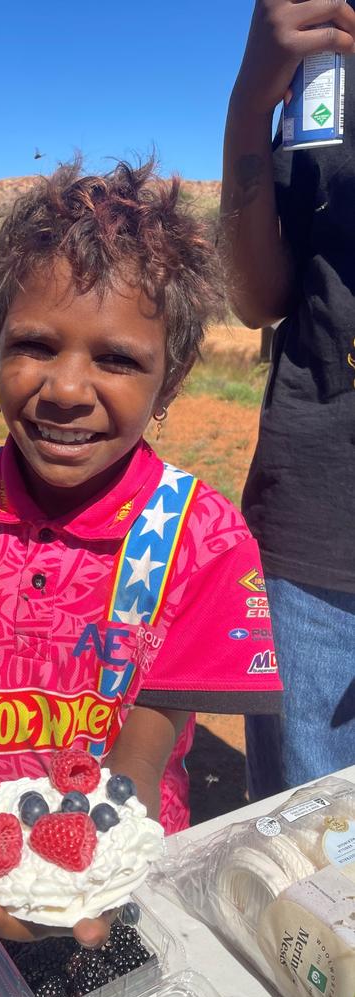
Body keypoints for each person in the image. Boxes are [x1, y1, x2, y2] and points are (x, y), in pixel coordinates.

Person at [0, 160, 281, 946]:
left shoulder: (204, 538)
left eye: (116, 359)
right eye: (34, 345)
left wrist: (76, 882)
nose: (65, 388)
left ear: (174, 375)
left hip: (117, 880)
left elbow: (144, 754)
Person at [220, 0, 355, 800]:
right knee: (307, 867)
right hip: (319, 530)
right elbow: (256, 299)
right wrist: (249, 103)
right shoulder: (321, 53)